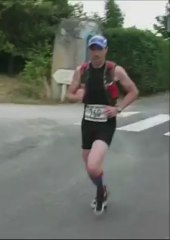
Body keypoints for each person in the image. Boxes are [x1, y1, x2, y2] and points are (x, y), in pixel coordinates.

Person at [66, 35, 139, 216]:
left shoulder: (115, 70)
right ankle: (102, 189)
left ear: (106, 50)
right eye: (93, 49)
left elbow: (133, 91)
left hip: (106, 123)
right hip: (87, 122)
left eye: (99, 49)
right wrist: (79, 96)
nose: (96, 53)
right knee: (91, 168)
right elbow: (70, 94)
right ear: (89, 50)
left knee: (92, 165)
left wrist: (119, 108)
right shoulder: (82, 70)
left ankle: (100, 193)